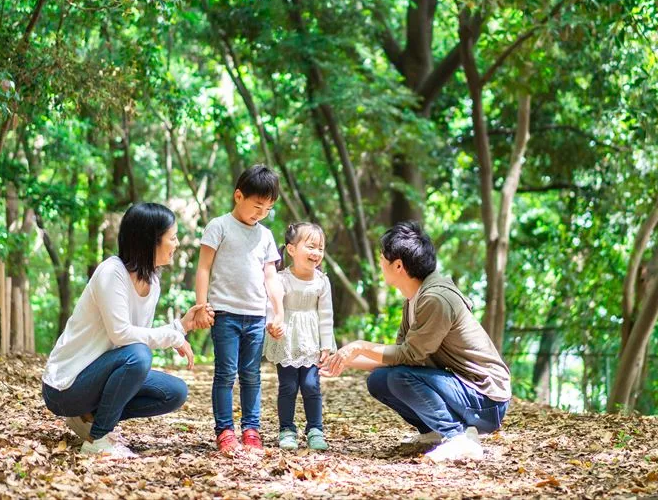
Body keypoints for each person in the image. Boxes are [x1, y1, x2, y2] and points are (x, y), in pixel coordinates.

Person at [322, 221, 511, 463]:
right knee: (380, 381)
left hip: (486, 400)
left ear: (398, 265)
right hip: (464, 391)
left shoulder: (436, 298)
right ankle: (434, 433)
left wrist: (361, 346)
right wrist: (341, 361)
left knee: (399, 377)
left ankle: (458, 438)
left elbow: (408, 356)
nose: (380, 263)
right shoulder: (414, 299)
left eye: (383, 258)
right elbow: (397, 358)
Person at [42, 203, 213, 459]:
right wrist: (171, 336)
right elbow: (122, 335)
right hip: (65, 387)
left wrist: (182, 326)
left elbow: (137, 334)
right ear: (150, 241)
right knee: (139, 356)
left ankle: (90, 418)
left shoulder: (152, 281)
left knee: (175, 392)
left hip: (98, 375)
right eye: (173, 237)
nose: (176, 244)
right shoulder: (112, 273)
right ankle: (98, 438)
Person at [194, 164, 286, 454]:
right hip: (225, 313)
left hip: (256, 316)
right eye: (257, 205)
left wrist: (278, 313)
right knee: (225, 373)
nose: (261, 213)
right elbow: (204, 267)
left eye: (268, 208)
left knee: (251, 375)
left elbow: (271, 276)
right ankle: (224, 431)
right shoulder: (219, 226)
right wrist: (201, 304)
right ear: (238, 196)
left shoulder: (266, 236)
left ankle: (251, 429)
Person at [263, 222, 336, 451]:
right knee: (288, 386)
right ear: (292, 249)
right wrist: (272, 325)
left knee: (311, 385)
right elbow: (271, 306)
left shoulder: (322, 281)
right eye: (311, 246)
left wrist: (326, 346)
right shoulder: (282, 279)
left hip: (311, 341)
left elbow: (326, 315)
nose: (316, 253)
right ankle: (286, 429)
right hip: (287, 341)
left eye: (320, 248)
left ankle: (315, 429)